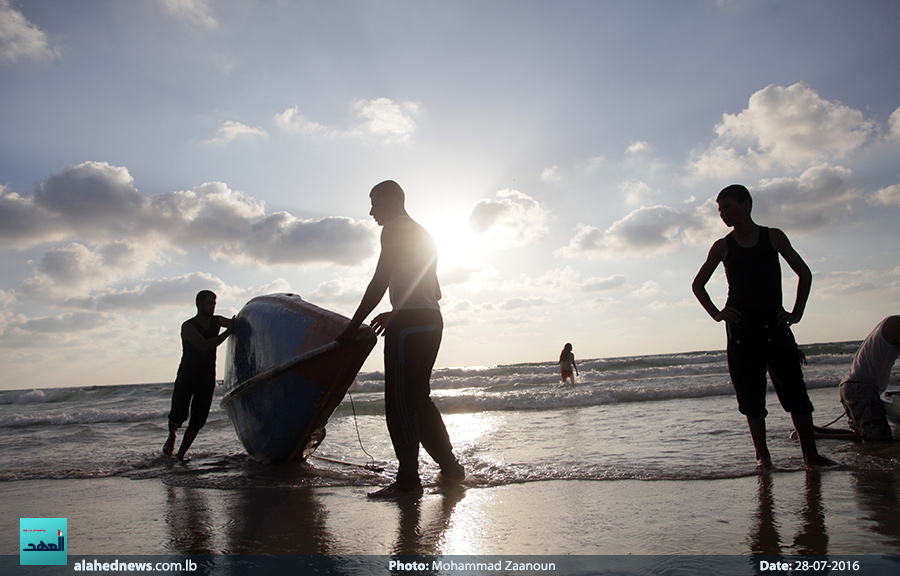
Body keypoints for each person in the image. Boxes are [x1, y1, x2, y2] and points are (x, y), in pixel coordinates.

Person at [336, 180, 465, 499]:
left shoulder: (393, 228)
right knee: (419, 399)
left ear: (392, 200)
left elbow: (380, 280)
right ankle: (450, 468)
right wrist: (401, 309)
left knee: (399, 405)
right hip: (432, 322)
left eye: (375, 203)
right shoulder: (426, 234)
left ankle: (408, 481)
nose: (371, 212)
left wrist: (352, 327)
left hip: (409, 326)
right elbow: (435, 291)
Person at [691, 184, 835, 470]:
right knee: (751, 396)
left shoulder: (773, 237)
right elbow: (698, 285)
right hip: (742, 331)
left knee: (796, 392)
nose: (723, 214)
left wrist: (796, 313)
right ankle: (763, 457)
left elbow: (804, 273)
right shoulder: (723, 246)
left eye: (728, 207)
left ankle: (811, 456)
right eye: (720, 210)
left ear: (747, 205)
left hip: (775, 326)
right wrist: (718, 314)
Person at [163, 290, 234, 460]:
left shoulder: (217, 321)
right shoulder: (188, 326)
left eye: (214, 303)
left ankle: (180, 455)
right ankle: (172, 435)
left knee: (198, 420)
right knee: (178, 415)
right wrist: (227, 332)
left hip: (207, 377)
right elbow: (203, 346)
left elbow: (235, 323)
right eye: (209, 303)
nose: (212, 306)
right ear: (199, 304)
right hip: (187, 376)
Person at [838, 316, 900, 441]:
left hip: (852, 386)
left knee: (863, 435)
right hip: (861, 389)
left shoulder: (890, 322)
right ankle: (813, 435)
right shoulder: (897, 324)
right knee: (879, 440)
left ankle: (815, 432)